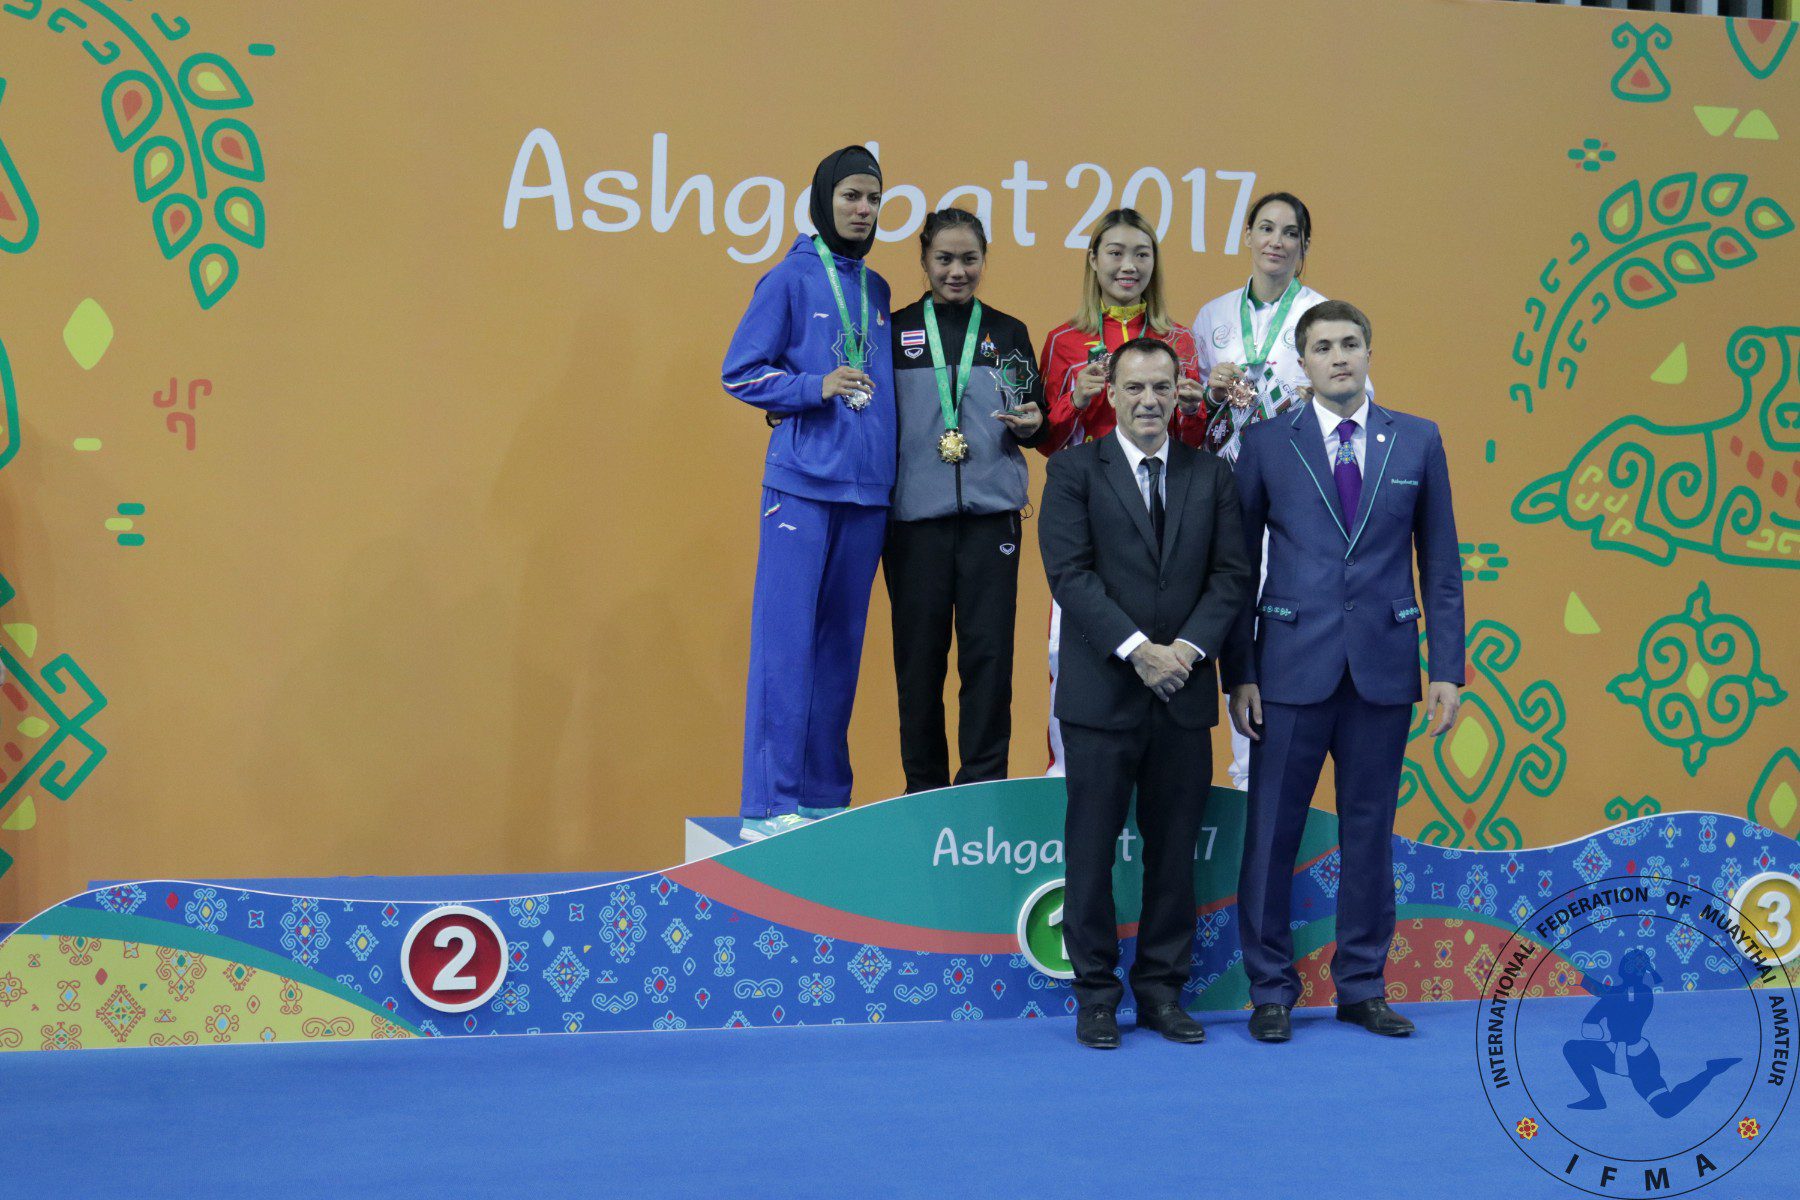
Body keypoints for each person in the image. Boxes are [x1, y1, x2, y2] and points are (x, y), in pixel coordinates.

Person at [1222, 300, 1464, 1043]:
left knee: (1369, 833)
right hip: (1287, 669)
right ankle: (1270, 991)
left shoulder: (1417, 439)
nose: (1338, 357)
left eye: (1350, 344)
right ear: (1303, 362)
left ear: (1369, 353)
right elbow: (1236, 568)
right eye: (1323, 346)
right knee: (1271, 835)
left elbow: (1441, 565)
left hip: (1384, 670)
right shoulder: (1266, 443)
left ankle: (1362, 986)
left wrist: (1447, 669)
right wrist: (1239, 672)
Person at [1038, 337, 1253, 1049]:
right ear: (1112, 394)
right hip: (1101, 699)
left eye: (1162, 387)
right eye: (1134, 388)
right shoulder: (1073, 471)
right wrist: (1139, 651)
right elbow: (1070, 576)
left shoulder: (1210, 476)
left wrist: (1184, 653)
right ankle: (1096, 997)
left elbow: (1231, 577)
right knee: (1090, 854)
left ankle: (1162, 992)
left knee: (1173, 857)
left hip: (1182, 695)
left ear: (1179, 391)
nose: (1149, 401)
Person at [721, 146, 894, 842]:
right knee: (786, 643)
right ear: (824, 200)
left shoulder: (878, 290)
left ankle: (823, 797)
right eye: (851, 195)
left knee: (840, 649)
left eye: (873, 198)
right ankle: (769, 804)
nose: (863, 209)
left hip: (867, 494)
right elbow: (740, 372)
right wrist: (811, 387)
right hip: (799, 486)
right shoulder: (788, 279)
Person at [1192, 192, 1372, 790]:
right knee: (1230, 624)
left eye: (1290, 232)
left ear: (1304, 246)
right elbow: (1189, 416)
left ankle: (1263, 780)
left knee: (1280, 635)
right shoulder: (1212, 317)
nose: (1276, 241)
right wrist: (1210, 391)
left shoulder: (1323, 316)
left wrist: (1315, 402)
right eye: (1265, 228)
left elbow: (1360, 412)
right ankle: (1241, 780)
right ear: (1247, 235)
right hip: (1226, 499)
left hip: (1297, 506)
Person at [1034, 209, 1208, 776]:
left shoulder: (1180, 339)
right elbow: (1047, 441)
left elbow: (1194, 444)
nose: (1128, 265)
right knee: (1071, 646)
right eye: (1115, 252)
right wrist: (1078, 401)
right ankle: (1068, 778)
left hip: (1163, 515)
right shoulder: (1063, 340)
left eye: (1141, 253)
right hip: (1093, 513)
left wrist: (1192, 410)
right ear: (1093, 260)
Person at [885, 209, 1047, 793]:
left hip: (991, 522)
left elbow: (1036, 418)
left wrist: (1032, 424)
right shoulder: (894, 330)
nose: (957, 271)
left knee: (989, 662)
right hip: (913, 525)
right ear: (925, 259)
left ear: (984, 260)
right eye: (945, 259)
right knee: (918, 665)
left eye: (969, 259)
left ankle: (982, 789)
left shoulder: (1008, 331)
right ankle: (923, 792)